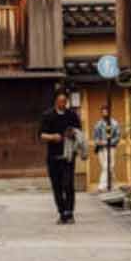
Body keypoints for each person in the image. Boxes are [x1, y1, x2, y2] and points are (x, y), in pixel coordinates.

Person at [40, 90, 83, 223]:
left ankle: (70, 213)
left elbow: (79, 131)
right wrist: (53, 137)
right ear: (55, 102)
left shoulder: (72, 115)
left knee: (68, 184)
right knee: (57, 186)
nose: (63, 104)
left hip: (68, 156)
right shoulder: (48, 115)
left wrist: (73, 134)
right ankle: (62, 212)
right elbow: (41, 135)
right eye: (60, 102)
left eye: (65, 102)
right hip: (53, 156)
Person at [92, 105, 122, 193]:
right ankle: (114, 185)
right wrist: (98, 141)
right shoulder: (98, 124)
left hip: (111, 147)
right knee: (106, 167)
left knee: (107, 166)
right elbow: (95, 136)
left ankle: (101, 186)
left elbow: (117, 137)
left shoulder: (114, 123)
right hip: (101, 148)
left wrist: (108, 142)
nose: (105, 113)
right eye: (103, 111)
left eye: (106, 111)